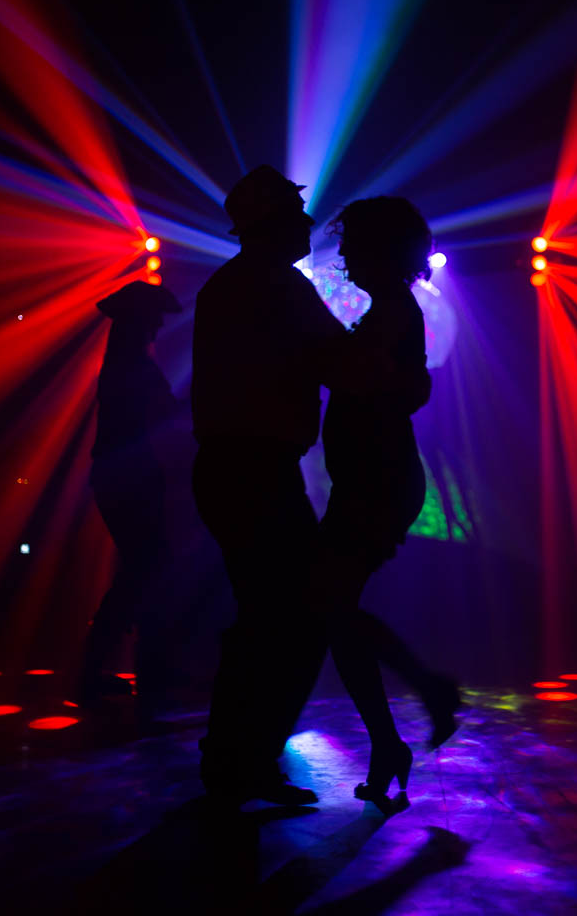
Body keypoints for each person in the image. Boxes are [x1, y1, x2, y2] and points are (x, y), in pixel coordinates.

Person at [191, 165, 348, 807]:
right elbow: (339, 358)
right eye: (296, 213)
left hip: (236, 468)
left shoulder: (232, 284)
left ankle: (235, 761)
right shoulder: (276, 284)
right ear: (275, 222)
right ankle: (244, 761)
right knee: (296, 617)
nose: (308, 223)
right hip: (255, 470)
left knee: (264, 618)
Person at [314, 197, 461, 812]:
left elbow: (358, 377)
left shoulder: (393, 312)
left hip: (377, 479)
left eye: (353, 243)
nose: (343, 254)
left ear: (381, 248)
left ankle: (421, 699)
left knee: (327, 603)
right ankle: (392, 736)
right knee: (330, 607)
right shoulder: (390, 310)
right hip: (372, 478)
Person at [80, 280, 183, 720]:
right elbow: (169, 414)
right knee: (146, 570)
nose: (159, 325)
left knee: (140, 571)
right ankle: (141, 673)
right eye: (153, 318)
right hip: (130, 479)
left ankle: (98, 670)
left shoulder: (122, 364)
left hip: (118, 476)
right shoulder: (135, 368)